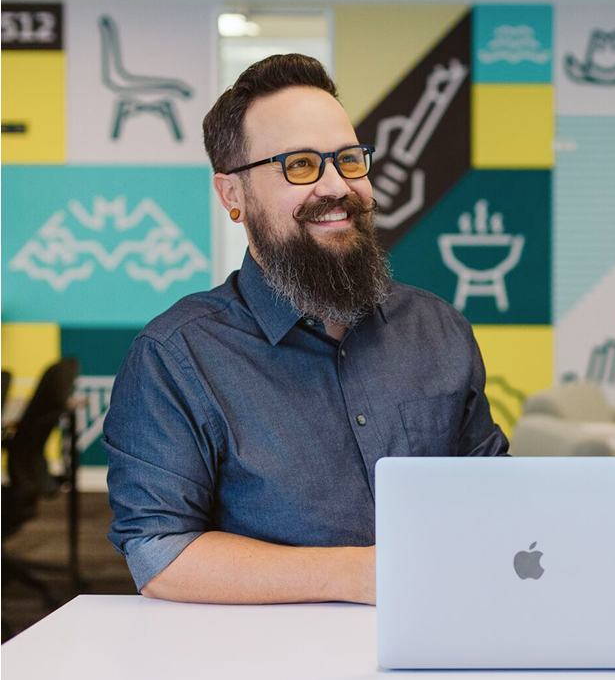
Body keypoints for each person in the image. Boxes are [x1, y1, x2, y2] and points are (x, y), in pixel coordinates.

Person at [105, 54, 508, 605]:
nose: (336, 186)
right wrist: (358, 575)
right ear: (232, 196)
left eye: (348, 159)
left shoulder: (438, 328)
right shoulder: (176, 357)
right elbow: (159, 552)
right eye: (299, 165)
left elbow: (495, 496)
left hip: (444, 640)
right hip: (266, 671)